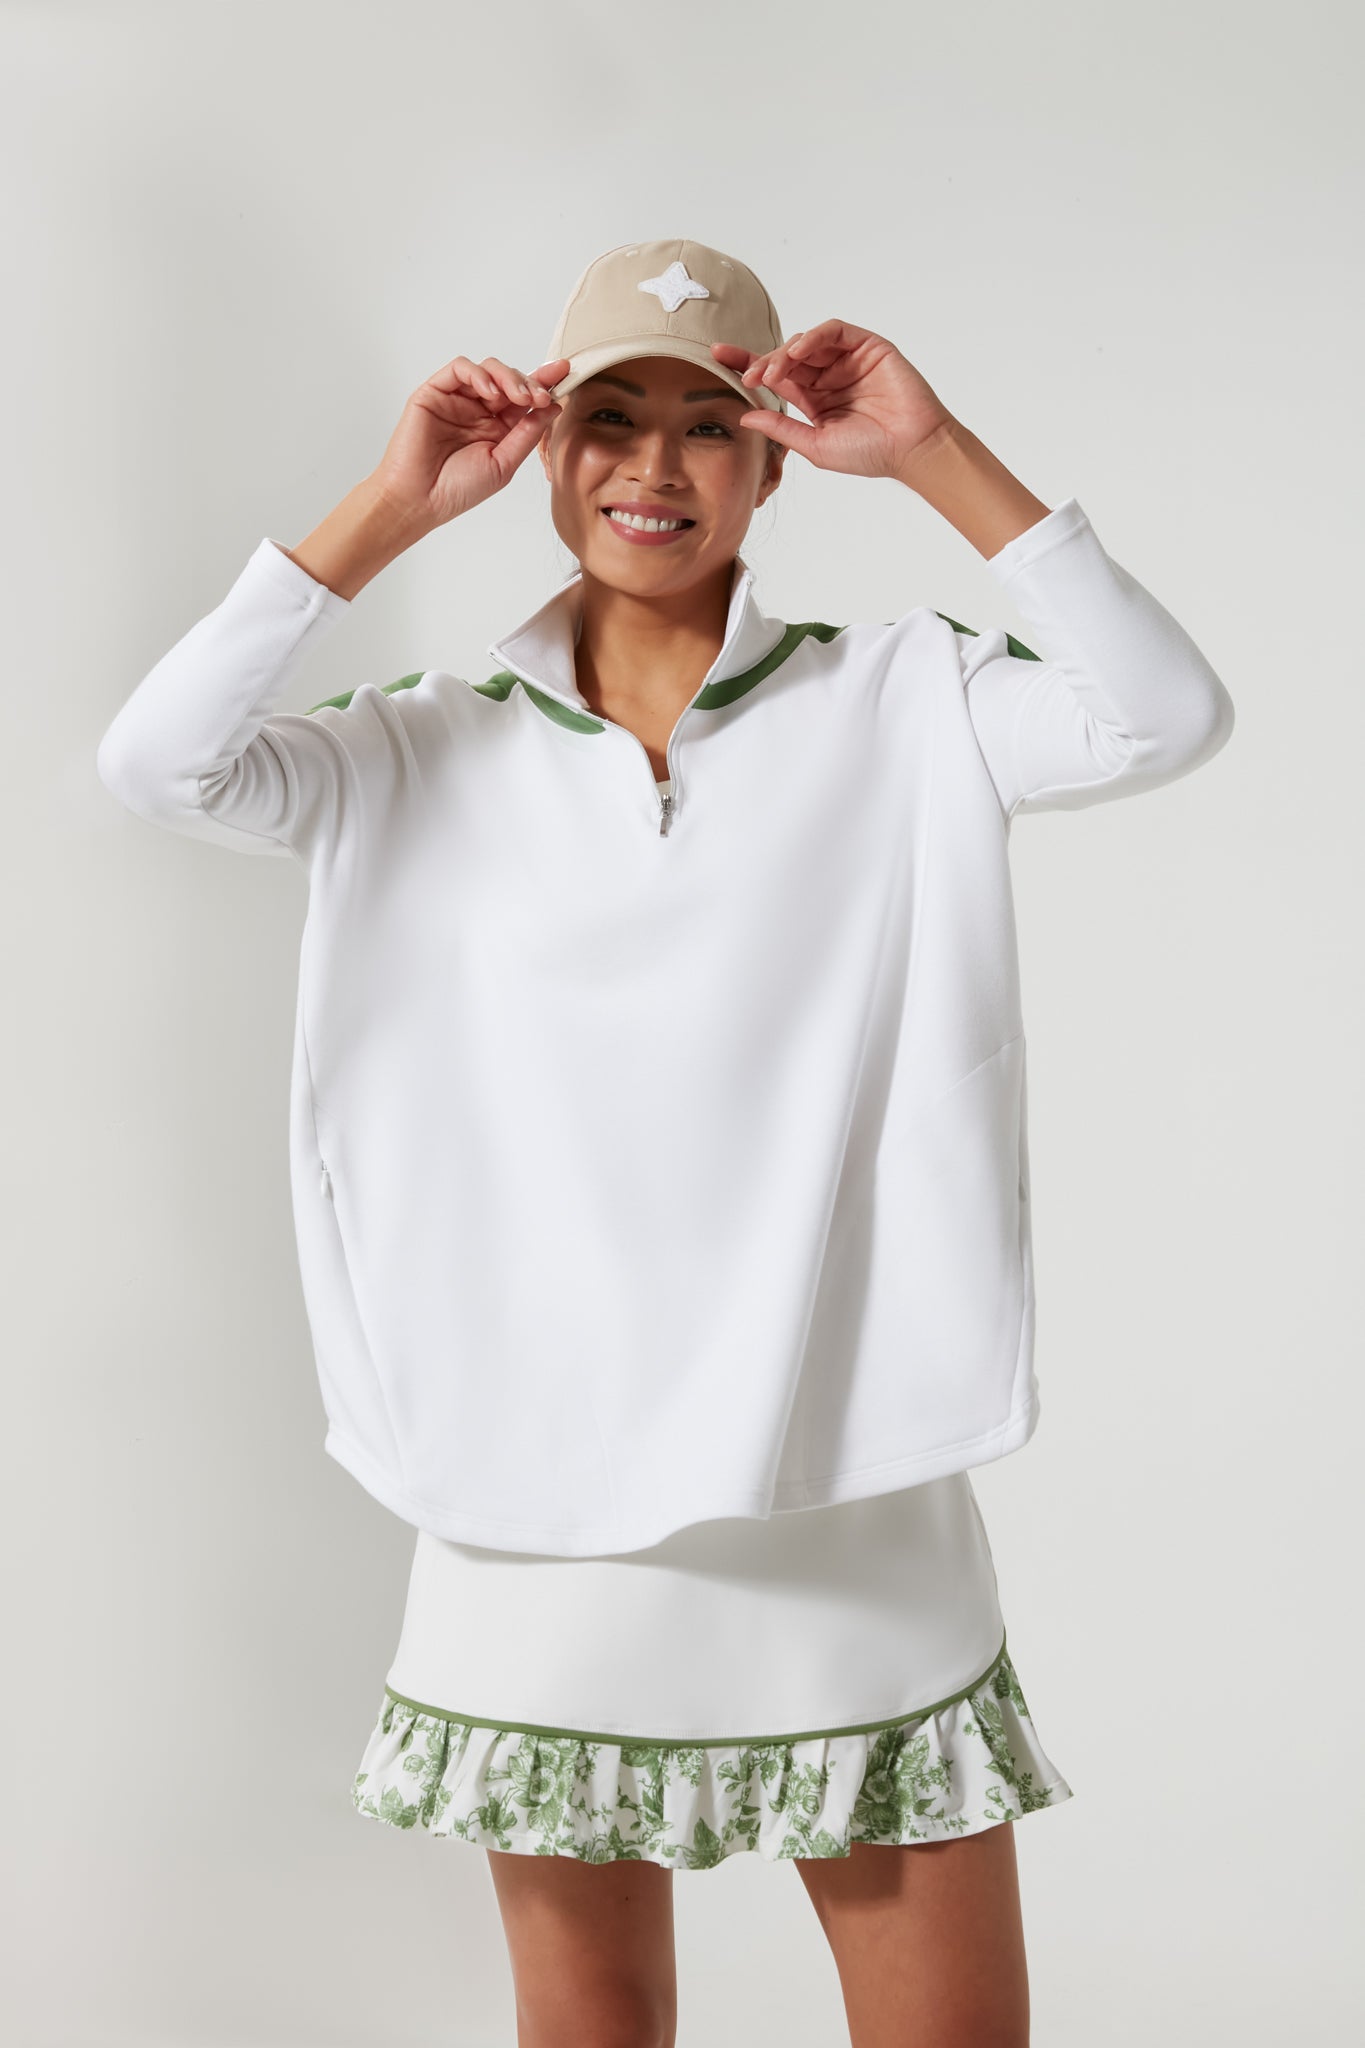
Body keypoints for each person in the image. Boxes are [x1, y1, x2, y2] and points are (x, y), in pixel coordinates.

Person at [96, 238, 1234, 2047]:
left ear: (776, 460)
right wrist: (390, 505)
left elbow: (1164, 713)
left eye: (708, 425)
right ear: (543, 454)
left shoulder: (910, 699)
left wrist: (934, 452)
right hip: (528, 1495)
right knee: (591, 2023)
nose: (654, 466)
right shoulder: (415, 748)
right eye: (608, 419)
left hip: (845, 1476)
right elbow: (159, 764)